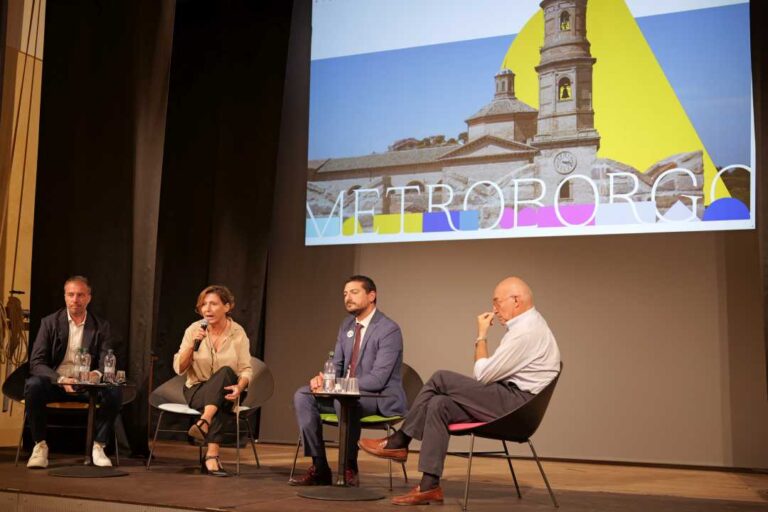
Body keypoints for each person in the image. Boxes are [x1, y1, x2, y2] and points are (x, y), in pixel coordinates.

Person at [359, 276, 561, 505]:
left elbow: (483, 374)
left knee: (441, 378)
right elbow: (492, 373)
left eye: (497, 301)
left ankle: (400, 440)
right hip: (510, 398)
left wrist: (481, 335)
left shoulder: (526, 332)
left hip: (517, 407)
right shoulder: (529, 324)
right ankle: (429, 486)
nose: (494, 309)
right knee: (439, 404)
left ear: (516, 300)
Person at [291, 275, 407, 487]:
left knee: (344, 402)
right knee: (303, 396)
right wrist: (324, 379)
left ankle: (349, 467)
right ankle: (319, 466)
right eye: (345, 293)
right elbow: (337, 364)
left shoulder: (388, 329)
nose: (347, 297)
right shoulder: (346, 326)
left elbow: (378, 379)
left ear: (371, 296)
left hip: (378, 397)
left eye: (354, 292)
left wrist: (339, 387)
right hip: (346, 394)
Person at [25, 275, 122, 469]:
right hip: (57, 383)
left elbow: (106, 361)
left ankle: (98, 445)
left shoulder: (101, 326)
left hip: (86, 386)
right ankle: (40, 446)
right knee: (34, 385)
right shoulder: (49, 323)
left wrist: (96, 374)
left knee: (114, 390)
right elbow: (36, 363)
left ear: (88, 298)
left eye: (80, 295)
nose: (75, 299)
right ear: (64, 296)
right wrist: (61, 379)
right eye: (70, 295)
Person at [173, 285, 253, 477]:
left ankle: (204, 421)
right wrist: (192, 346)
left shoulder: (237, 332)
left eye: (213, 304)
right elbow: (179, 368)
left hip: (231, 388)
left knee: (225, 375)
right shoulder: (194, 330)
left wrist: (240, 386)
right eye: (204, 304)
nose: (207, 309)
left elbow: (246, 369)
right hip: (197, 389)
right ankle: (211, 456)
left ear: (227, 307)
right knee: (221, 399)